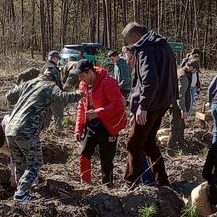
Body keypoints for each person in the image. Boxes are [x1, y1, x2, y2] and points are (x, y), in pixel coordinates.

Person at [5, 71, 81, 202]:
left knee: (20, 163)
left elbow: (9, 96)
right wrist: (81, 94)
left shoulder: (28, 83)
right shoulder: (50, 86)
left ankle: (20, 191)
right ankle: (21, 193)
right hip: (27, 130)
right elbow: (63, 97)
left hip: (10, 129)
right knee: (35, 163)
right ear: (54, 79)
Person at [122, 23, 177, 187]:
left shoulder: (146, 48)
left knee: (134, 142)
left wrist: (142, 106)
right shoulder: (163, 45)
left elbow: (149, 80)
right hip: (162, 102)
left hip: (151, 104)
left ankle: (131, 183)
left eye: (129, 41)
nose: (130, 45)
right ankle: (162, 181)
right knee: (148, 142)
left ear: (135, 36)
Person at [73, 61, 127, 186]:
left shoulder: (108, 82)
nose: (80, 79)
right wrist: (78, 128)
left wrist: (98, 112)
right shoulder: (83, 85)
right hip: (92, 126)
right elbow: (82, 106)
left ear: (90, 72)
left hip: (108, 126)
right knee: (84, 154)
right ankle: (85, 183)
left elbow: (117, 105)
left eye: (82, 75)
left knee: (106, 161)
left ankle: (107, 187)